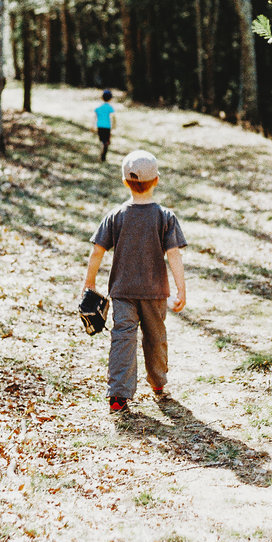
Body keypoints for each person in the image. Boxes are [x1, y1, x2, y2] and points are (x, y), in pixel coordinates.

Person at [83, 150, 187, 413]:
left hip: (123, 290)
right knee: (155, 338)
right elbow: (174, 255)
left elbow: (97, 251)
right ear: (157, 180)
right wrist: (180, 289)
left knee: (123, 338)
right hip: (155, 292)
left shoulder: (115, 215)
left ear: (124, 181)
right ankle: (158, 383)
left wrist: (90, 283)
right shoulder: (165, 216)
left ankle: (118, 394)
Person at [94, 89, 116, 162]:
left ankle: (101, 151)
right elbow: (113, 117)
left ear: (102, 98)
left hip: (99, 126)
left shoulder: (98, 108)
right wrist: (114, 125)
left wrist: (92, 125)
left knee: (102, 140)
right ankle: (103, 157)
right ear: (110, 99)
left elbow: (95, 117)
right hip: (107, 127)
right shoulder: (110, 108)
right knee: (106, 141)